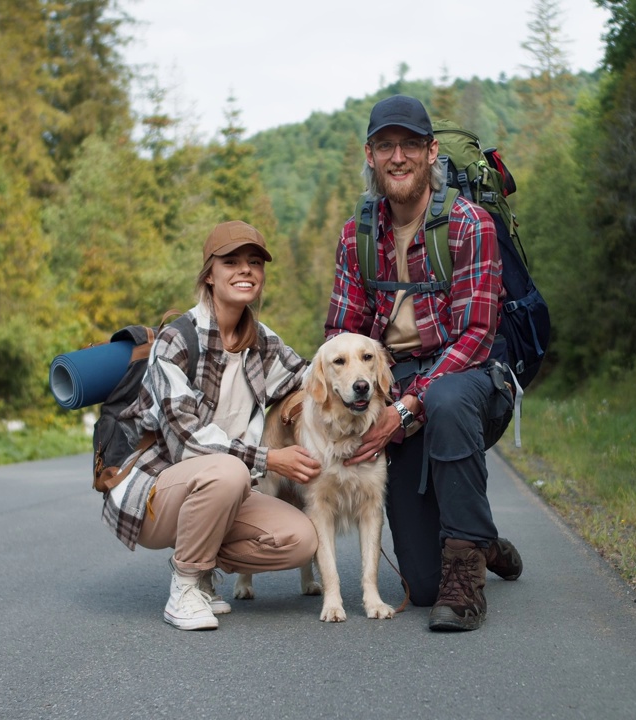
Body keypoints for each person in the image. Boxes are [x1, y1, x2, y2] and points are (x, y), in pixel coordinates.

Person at [325, 95, 524, 632]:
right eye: (385, 146)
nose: (398, 157)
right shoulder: (356, 235)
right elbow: (342, 336)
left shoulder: (470, 225)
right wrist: (356, 401)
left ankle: (467, 582)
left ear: (430, 151)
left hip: (470, 378)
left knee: (446, 396)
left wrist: (406, 410)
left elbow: (477, 336)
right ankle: (479, 539)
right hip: (394, 382)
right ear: (369, 155)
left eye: (410, 144)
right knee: (421, 583)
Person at [103, 220, 321, 631]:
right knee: (227, 468)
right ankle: (185, 584)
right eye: (232, 262)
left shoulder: (263, 342)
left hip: (225, 487)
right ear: (209, 275)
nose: (245, 270)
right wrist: (272, 458)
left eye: (254, 262)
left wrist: (369, 388)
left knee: (300, 538)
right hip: (154, 488)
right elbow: (189, 444)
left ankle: (203, 566)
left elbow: (311, 380)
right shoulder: (177, 340)